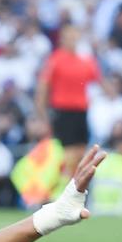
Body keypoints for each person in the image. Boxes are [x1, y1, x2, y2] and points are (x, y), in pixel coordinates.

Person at [36, 25, 100, 182]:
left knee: (80, 153)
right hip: (64, 111)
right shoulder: (55, 60)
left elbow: (98, 81)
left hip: (81, 112)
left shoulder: (85, 61)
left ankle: (74, 189)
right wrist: (43, 116)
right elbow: (43, 89)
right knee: (68, 154)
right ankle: (65, 190)